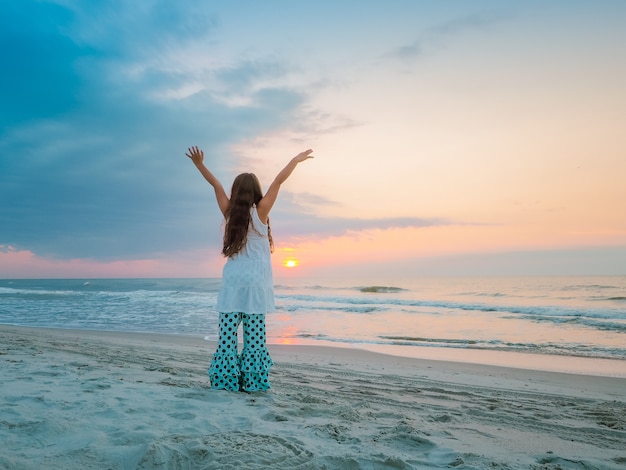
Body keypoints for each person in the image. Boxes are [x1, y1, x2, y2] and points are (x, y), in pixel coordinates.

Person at [186, 146, 314, 392]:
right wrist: (294, 160)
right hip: (255, 284)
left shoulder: (230, 213)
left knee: (227, 338)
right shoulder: (262, 212)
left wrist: (200, 165)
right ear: (256, 191)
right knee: (254, 339)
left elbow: (216, 185)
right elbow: (278, 180)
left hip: (233, 282)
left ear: (236, 191)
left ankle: (225, 383)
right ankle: (254, 384)